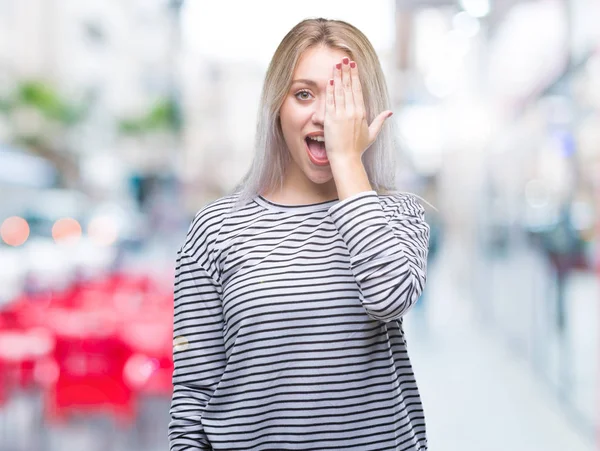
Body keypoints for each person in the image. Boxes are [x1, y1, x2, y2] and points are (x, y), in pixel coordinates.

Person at [169, 17, 430, 451]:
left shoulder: (396, 214)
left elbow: (389, 297)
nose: (325, 114)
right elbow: (193, 392)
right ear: (277, 107)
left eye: (344, 97)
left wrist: (348, 161)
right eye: (304, 94)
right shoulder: (215, 229)